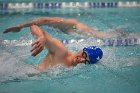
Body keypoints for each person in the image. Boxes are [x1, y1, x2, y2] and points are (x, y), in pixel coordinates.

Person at [3, 24, 103, 71]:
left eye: (86, 61)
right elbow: (34, 26)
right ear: (83, 49)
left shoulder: (75, 67)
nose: (81, 60)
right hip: (25, 73)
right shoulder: (61, 51)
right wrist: (42, 37)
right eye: (84, 55)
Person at [3, 17, 109, 38]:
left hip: (104, 37)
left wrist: (19, 26)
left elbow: (44, 20)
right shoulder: (66, 25)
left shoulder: (68, 23)